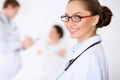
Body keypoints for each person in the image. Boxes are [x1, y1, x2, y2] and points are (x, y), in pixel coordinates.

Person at [57, 0, 113, 80]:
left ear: (94, 20)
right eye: (67, 17)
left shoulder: (89, 61)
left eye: (77, 17)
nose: (69, 24)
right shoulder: (85, 52)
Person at [0, 0, 33, 80]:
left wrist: (24, 45)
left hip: (14, 65)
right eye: (16, 11)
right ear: (9, 7)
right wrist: (21, 43)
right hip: (4, 67)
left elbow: (14, 42)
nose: (17, 13)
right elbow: (2, 47)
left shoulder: (12, 22)